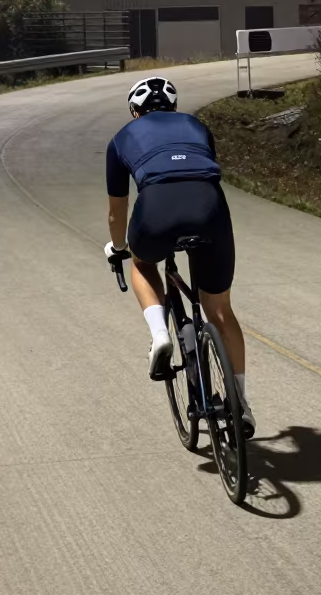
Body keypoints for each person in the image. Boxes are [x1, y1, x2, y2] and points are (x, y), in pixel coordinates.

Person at [104, 76, 255, 437]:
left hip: (156, 210)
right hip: (210, 210)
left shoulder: (122, 137)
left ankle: (160, 335)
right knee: (219, 308)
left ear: (134, 111)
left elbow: (117, 212)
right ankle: (241, 405)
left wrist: (119, 249)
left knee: (142, 262)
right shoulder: (197, 126)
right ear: (174, 107)